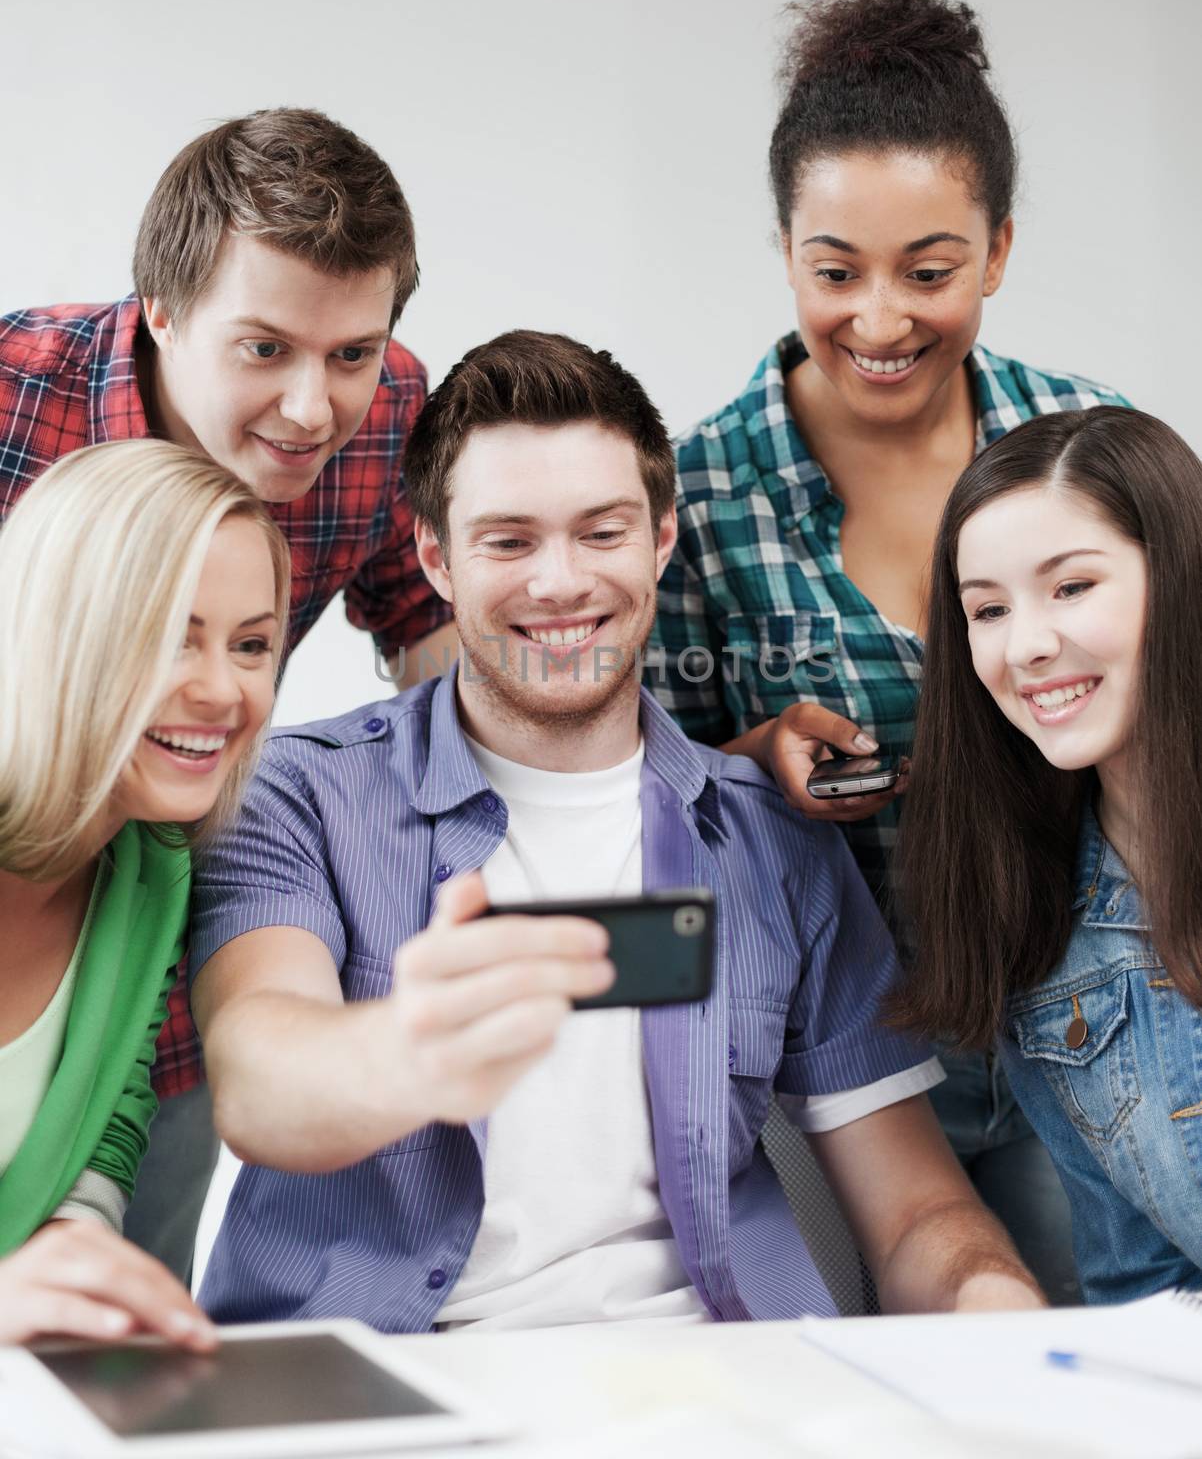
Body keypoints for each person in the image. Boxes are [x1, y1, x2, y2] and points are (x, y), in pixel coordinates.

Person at [189, 329, 1043, 1329]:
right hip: (388, 1391)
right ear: (435, 556)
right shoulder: (294, 796)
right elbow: (258, 1079)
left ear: (660, 539)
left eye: (600, 532)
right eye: (508, 540)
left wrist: (995, 1308)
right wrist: (407, 1050)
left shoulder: (770, 838)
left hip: (711, 1388)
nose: (560, 584)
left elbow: (914, 1217)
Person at [650, 0, 1128, 1301]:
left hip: (1074, 1022)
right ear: (782, 252)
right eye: (833, 269)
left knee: (1083, 1374)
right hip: (833, 1058)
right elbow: (645, 796)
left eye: (929, 271)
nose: (877, 319)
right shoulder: (700, 490)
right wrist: (754, 757)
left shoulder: (1082, 448)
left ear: (998, 252)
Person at [0, 106, 452, 1280]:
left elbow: (433, 636)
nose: (314, 408)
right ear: (159, 307)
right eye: (265, 350)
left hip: (136, 947)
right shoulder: (11, 395)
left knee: (103, 1288)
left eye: (351, 352)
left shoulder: (385, 416)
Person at [893, 406, 1202, 1304]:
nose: (1024, 645)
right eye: (988, 609)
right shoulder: (1040, 940)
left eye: (1071, 587)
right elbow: (1145, 1294)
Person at [0, 440, 288, 1345]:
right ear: (60, 631)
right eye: (171, 636)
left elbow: (105, 1127)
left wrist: (75, 1257)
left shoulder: (151, 868)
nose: (222, 689)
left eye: (251, 645)